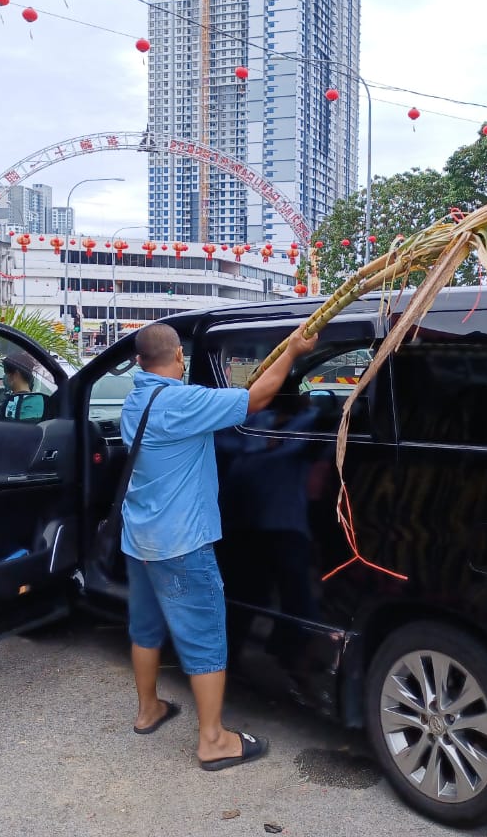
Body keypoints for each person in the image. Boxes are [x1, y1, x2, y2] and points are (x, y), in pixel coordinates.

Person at [121, 322, 317, 771]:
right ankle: (213, 740)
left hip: (139, 537)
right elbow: (256, 399)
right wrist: (292, 350)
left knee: (145, 628)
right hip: (181, 543)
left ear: (138, 363)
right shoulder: (180, 401)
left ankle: (148, 709)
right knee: (205, 637)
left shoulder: (136, 400)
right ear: (177, 359)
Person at [0, 353, 45, 421]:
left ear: (16, 375)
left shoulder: (9, 403)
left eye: (6, 373)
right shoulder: (41, 401)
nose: (5, 377)